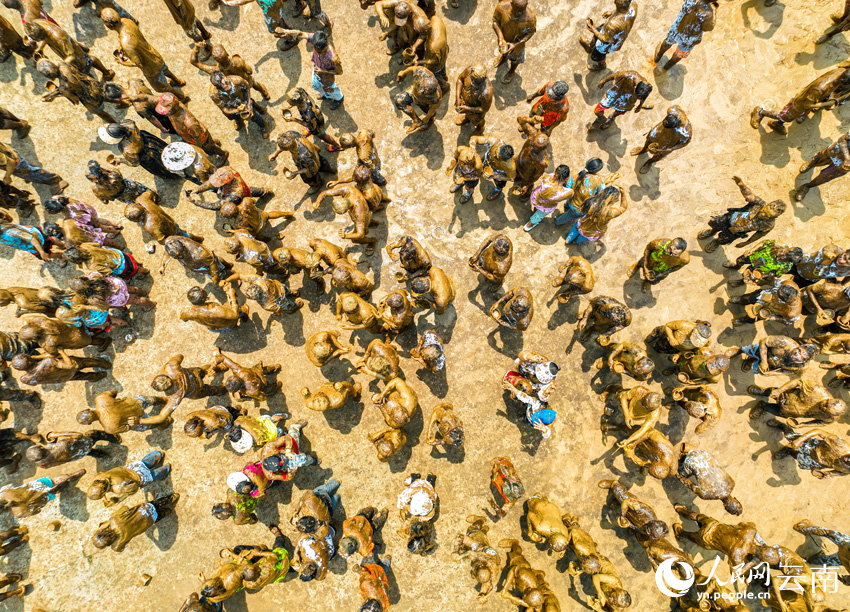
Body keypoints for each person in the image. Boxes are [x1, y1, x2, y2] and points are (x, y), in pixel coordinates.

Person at [101, 8, 187, 100]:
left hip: (151, 69)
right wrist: (123, 47)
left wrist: (122, 62)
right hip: (154, 54)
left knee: (162, 87)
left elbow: (138, 63)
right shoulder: (127, 21)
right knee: (165, 70)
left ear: (109, 25)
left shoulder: (125, 43)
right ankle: (178, 81)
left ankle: (181, 97)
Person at [698, 176, 786, 253]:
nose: (763, 214)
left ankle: (717, 242)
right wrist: (742, 185)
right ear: (766, 205)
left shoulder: (769, 225)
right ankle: (712, 232)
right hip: (729, 218)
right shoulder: (759, 203)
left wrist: (746, 243)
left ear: (773, 217)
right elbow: (749, 195)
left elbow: (759, 234)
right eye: (764, 211)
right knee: (716, 224)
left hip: (736, 231)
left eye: (767, 216)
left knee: (723, 239)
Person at [750, 67, 850, 135]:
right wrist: (825, 104)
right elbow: (807, 105)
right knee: (787, 116)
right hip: (802, 102)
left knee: (801, 112)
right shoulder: (821, 88)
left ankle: (779, 123)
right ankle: (761, 112)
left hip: (811, 97)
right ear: (843, 82)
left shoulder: (841, 71)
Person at [23, 18, 113, 81]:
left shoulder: (58, 37)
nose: (39, 41)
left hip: (71, 52)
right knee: (87, 59)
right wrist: (40, 48)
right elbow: (45, 38)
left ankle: (102, 79)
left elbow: (71, 56)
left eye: (39, 39)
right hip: (64, 46)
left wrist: (60, 67)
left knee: (83, 67)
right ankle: (106, 73)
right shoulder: (37, 23)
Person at [36, 58, 117, 124]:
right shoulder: (64, 64)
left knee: (101, 113)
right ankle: (122, 102)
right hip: (93, 84)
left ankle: (114, 124)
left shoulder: (63, 88)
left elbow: (76, 100)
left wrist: (55, 94)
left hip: (90, 100)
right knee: (106, 96)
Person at [277, 30, 344, 108]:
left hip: (327, 78)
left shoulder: (333, 58)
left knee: (331, 89)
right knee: (318, 86)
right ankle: (326, 95)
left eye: (321, 50)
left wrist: (323, 71)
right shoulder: (316, 39)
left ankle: (339, 99)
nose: (318, 52)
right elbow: (302, 34)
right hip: (317, 71)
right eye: (316, 49)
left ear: (326, 44)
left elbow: (339, 72)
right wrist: (288, 32)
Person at [92, 493, 180, 551]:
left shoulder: (118, 543)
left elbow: (121, 548)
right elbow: (125, 508)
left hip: (147, 522)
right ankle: (172, 498)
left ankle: (166, 511)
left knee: (157, 517)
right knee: (156, 503)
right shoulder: (114, 519)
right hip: (143, 510)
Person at [155, 93, 227, 160]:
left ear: (173, 110)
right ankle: (212, 142)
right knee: (209, 143)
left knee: (210, 149)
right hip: (196, 134)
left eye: (166, 112)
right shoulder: (177, 108)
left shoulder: (189, 123)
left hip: (201, 139)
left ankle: (222, 154)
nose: (165, 114)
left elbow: (198, 138)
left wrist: (198, 148)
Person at [748, 378, 846, 426]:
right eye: (825, 404)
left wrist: (804, 425)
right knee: (771, 392)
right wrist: (780, 390)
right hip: (785, 395)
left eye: (826, 410)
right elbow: (798, 381)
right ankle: (762, 391)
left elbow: (822, 423)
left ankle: (762, 406)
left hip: (790, 412)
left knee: (776, 411)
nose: (823, 407)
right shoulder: (817, 390)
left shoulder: (831, 418)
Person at [98, 120, 176, 180]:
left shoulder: (126, 149)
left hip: (149, 156)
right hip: (150, 141)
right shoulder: (127, 123)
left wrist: (121, 160)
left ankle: (174, 174)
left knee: (163, 165)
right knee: (167, 152)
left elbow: (135, 163)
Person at [87, 451, 171, 506]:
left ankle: (166, 468)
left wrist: (118, 499)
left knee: (155, 475)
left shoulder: (117, 489)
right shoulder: (97, 477)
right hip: (133, 467)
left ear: (103, 494)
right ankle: (159, 454)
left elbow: (134, 488)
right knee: (145, 462)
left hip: (141, 477)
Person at [676, 444, 742, 515]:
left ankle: (691, 450)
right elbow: (688, 483)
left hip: (706, 455)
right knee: (681, 472)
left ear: (735, 498)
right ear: (724, 506)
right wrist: (678, 475)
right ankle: (684, 457)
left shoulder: (732, 483)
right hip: (691, 460)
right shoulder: (705, 495)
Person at [191, 42, 269, 100]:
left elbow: (194, 62)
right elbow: (249, 70)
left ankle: (258, 108)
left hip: (236, 88)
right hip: (246, 80)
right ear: (227, 54)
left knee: (245, 98)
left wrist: (197, 48)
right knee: (255, 84)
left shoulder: (216, 71)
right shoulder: (237, 61)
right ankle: (264, 92)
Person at [150, 353, 225, 413]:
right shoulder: (174, 397)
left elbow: (180, 356)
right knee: (214, 390)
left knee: (205, 370)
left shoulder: (171, 367)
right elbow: (180, 356)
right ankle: (224, 388)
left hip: (195, 377)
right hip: (197, 389)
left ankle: (219, 368)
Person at [654, 0, 717, 71]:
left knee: (668, 42)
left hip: (676, 30)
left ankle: (658, 57)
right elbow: (708, 28)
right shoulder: (708, 13)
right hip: (689, 39)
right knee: (680, 54)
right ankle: (667, 66)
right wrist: (714, 12)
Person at [498, 540, 561, 610]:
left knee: (517, 599)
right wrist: (505, 589)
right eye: (525, 598)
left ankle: (536, 574)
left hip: (526, 585)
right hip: (521, 566)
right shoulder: (524, 575)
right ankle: (514, 543)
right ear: (529, 589)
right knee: (516, 555)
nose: (524, 599)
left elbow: (530, 605)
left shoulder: (536, 598)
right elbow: (513, 570)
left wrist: (511, 597)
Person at [598, 479, 668, 540]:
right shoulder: (645, 511)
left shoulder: (648, 531)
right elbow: (627, 502)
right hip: (630, 504)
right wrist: (623, 515)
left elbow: (637, 528)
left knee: (617, 507)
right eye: (650, 534)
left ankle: (617, 503)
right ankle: (613, 483)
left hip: (631, 516)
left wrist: (628, 524)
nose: (649, 535)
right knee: (620, 494)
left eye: (651, 536)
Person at [125, 191, 203, 245]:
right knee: (179, 230)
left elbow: (162, 241)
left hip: (171, 231)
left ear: (140, 218)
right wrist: (154, 200)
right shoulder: (141, 200)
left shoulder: (149, 226)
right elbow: (149, 192)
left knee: (185, 236)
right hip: (170, 220)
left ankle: (199, 239)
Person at [451, 515, 500, 602]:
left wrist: (484, 596)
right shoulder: (483, 557)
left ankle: (484, 532)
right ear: (482, 565)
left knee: (471, 551)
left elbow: (493, 589)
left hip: (489, 554)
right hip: (482, 549)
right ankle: (480, 520)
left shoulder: (493, 573)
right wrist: (456, 552)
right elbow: (460, 537)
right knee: (471, 531)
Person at [630, 106, 692, 174]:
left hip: (669, 141)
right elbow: (677, 106)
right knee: (649, 140)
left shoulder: (685, 133)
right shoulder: (672, 110)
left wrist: (671, 148)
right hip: (658, 131)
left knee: (659, 154)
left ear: (677, 127)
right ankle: (643, 150)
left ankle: (650, 162)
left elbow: (683, 144)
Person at [0, 470, 85, 519]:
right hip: (36, 486)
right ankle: (73, 475)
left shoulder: (18, 514)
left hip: (42, 499)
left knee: (52, 493)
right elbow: (12, 485)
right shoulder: (3, 491)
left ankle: (58, 488)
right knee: (53, 481)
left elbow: (37, 511)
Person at [209, 71, 271, 137]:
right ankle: (238, 120)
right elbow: (224, 109)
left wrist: (248, 103)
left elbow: (247, 88)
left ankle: (263, 125)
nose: (227, 88)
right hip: (230, 107)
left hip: (243, 101)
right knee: (233, 116)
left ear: (224, 76)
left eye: (227, 83)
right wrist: (237, 110)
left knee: (254, 115)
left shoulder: (237, 80)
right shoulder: (214, 94)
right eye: (224, 88)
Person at [270, 131, 334, 193]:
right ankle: (330, 169)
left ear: (287, 149)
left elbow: (313, 169)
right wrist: (275, 153)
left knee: (310, 178)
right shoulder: (291, 134)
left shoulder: (303, 157)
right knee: (322, 161)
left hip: (310, 164)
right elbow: (285, 143)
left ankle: (318, 184)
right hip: (313, 152)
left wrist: (295, 173)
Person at [581, 0, 637, 70]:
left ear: (615, 2)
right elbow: (624, 14)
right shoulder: (634, 5)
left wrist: (593, 30)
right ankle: (590, 45)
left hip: (608, 43)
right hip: (618, 34)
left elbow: (606, 40)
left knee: (597, 55)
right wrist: (613, 14)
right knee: (599, 30)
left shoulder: (612, 25)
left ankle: (601, 65)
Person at [187, 166, 274, 210]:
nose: (215, 185)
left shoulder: (233, 196)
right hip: (244, 188)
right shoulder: (227, 170)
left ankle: (265, 193)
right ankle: (266, 191)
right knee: (250, 191)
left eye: (218, 183)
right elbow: (210, 183)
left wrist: (196, 202)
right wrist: (198, 189)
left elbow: (215, 206)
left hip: (240, 199)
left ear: (227, 182)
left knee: (243, 208)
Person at [588, 71, 652, 131]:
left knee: (620, 111)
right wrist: (603, 81)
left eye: (638, 97)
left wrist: (640, 105)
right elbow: (613, 76)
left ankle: (612, 117)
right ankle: (601, 118)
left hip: (627, 102)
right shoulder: (626, 75)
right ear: (635, 87)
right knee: (597, 111)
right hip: (614, 94)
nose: (637, 98)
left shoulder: (646, 88)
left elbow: (643, 97)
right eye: (636, 95)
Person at [794, 132, 850, 201]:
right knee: (820, 158)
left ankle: (807, 186)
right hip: (836, 151)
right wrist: (847, 158)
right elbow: (842, 140)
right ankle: (811, 164)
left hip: (844, 165)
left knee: (826, 176)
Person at [492, 0, 537, 83]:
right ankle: (503, 57)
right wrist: (501, 38)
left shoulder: (530, 18)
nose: (519, 13)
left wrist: (515, 44)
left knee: (515, 59)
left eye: (521, 10)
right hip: (504, 38)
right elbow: (495, 21)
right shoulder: (501, 7)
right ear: (511, 4)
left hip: (518, 43)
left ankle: (511, 71)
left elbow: (530, 33)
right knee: (503, 50)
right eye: (516, 10)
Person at [0, 141, 67, 195]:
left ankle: (55, 180)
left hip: (14, 163)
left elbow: (11, 162)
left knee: (32, 173)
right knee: (27, 170)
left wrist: (7, 176)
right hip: (9, 157)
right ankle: (29, 174)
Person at [160, 235, 232, 284]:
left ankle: (230, 273)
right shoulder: (170, 241)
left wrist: (215, 277)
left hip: (206, 265)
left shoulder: (200, 254)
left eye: (180, 255)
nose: (180, 257)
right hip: (198, 266)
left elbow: (212, 263)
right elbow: (168, 252)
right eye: (177, 257)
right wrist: (162, 265)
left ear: (184, 247)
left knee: (220, 267)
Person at [397, 472, 438, 555]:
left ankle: (429, 480)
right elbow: (402, 505)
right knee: (403, 500)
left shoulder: (428, 516)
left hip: (428, 493)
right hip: (420, 491)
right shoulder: (413, 509)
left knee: (427, 488)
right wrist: (403, 511)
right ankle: (415, 479)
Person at [523, 165, 573, 231]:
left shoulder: (547, 177)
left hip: (536, 198)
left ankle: (535, 209)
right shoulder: (565, 192)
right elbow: (571, 194)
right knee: (539, 215)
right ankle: (528, 226)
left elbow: (552, 176)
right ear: (567, 179)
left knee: (537, 207)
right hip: (546, 207)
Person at [12, 352, 112, 385]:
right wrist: (61, 351)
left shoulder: (25, 379)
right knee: (87, 362)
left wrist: (32, 359)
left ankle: (97, 376)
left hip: (62, 377)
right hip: (69, 367)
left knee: (82, 376)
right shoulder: (48, 361)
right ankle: (105, 364)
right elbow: (70, 365)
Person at [180, 283, 246, 332]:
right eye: (203, 290)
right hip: (227, 323)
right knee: (237, 310)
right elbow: (235, 315)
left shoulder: (186, 311)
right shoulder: (216, 310)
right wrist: (231, 295)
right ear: (204, 299)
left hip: (213, 328)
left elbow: (183, 319)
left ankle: (232, 327)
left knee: (224, 325)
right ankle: (243, 314)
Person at [394, 66, 442, 134]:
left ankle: (430, 120)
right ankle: (416, 121)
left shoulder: (435, 97)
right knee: (399, 101)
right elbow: (412, 69)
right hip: (413, 92)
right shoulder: (423, 73)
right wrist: (403, 72)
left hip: (425, 102)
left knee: (429, 114)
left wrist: (427, 118)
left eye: (428, 93)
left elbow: (433, 109)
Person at [85, 160, 151, 206]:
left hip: (124, 197)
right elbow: (119, 175)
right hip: (131, 186)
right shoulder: (113, 173)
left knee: (139, 204)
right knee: (148, 193)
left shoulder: (96, 190)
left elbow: (105, 202)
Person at [470, 136, 515, 200]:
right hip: (486, 161)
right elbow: (474, 138)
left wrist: (496, 176)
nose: (494, 155)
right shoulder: (494, 142)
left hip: (499, 173)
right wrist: (472, 149)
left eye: (499, 158)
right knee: (475, 169)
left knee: (499, 184)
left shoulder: (510, 166)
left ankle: (497, 190)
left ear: (506, 160)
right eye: (496, 152)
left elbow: (511, 178)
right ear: (499, 147)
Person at [512, 117, 549, 197]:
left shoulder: (542, 162)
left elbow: (536, 176)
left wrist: (527, 185)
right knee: (515, 174)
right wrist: (530, 120)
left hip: (526, 177)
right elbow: (520, 120)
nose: (531, 148)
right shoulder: (533, 135)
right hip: (519, 162)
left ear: (543, 149)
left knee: (524, 189)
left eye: (535, 149)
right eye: (532, 145)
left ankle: (527, 195)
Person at [454, 65, 493, 134]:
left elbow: (484, 109)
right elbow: (460, 80)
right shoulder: (469, 70)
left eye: (476, 79)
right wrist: (458, 98)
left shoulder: (486, 92)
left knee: (478, 120)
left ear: (483, 78)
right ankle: (467, 118)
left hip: (476, 111)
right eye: (472, 77)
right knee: (468, 114)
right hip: (467, 102)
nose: (472, 82)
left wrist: (467, 108)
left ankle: (480, 128)